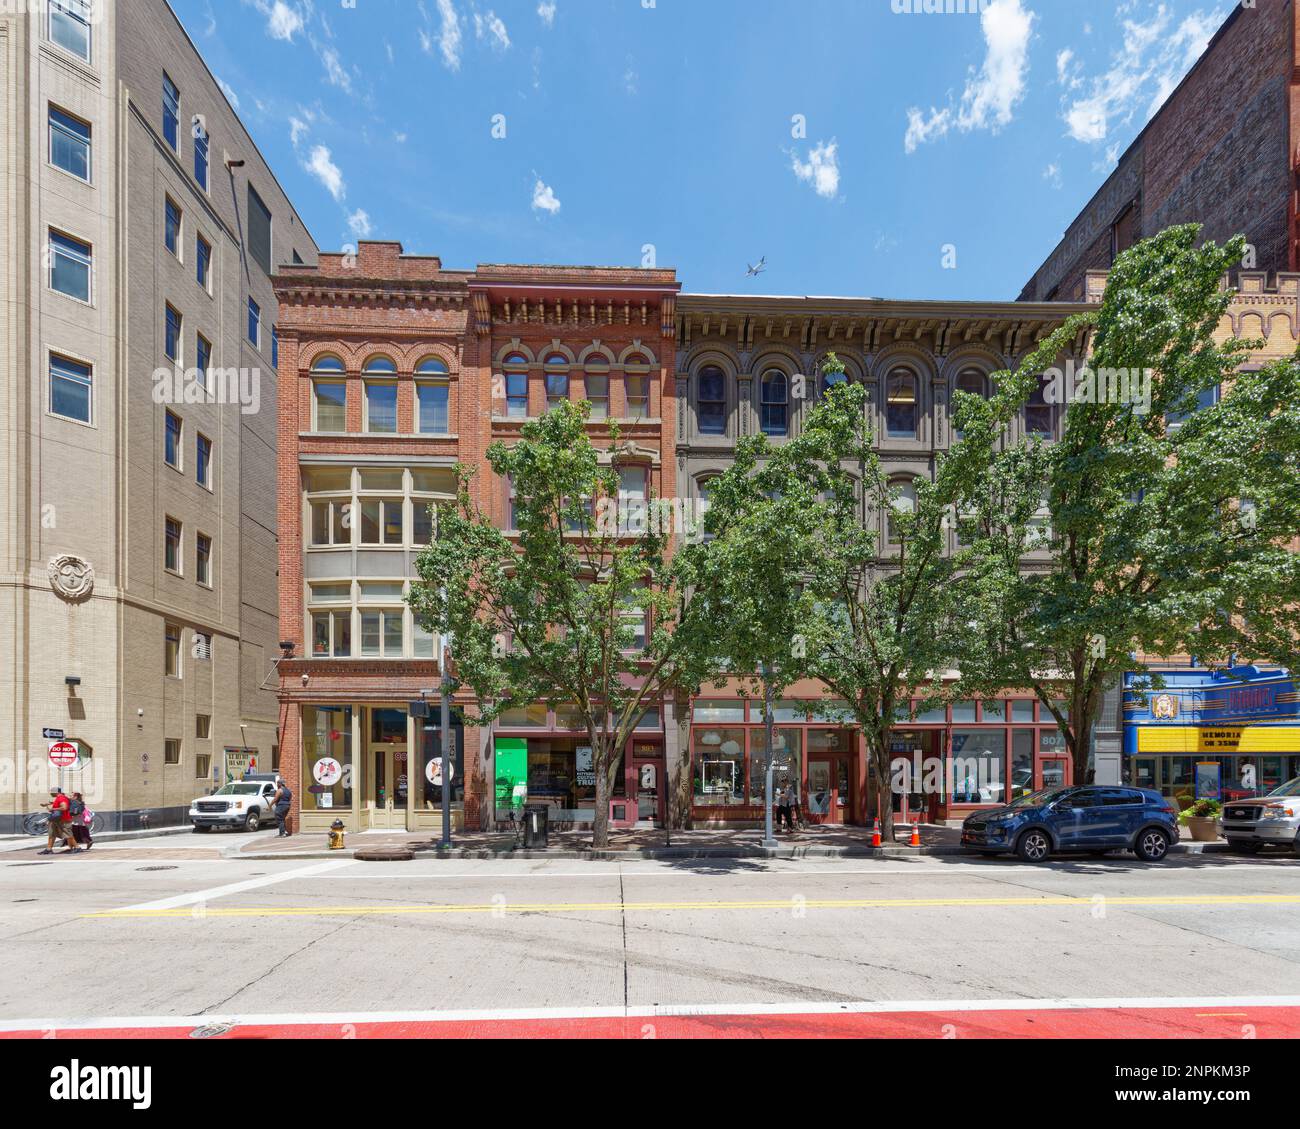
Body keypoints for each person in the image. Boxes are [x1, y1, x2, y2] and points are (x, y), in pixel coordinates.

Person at [39, 789, 79, 854]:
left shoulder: (61, 798)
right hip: (56, 819)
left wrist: (52, 809)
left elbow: (64, 807)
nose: (50, 793)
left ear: (56, 792)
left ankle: (77, 847)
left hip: (63, 820)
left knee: (68, 834)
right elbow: (59, 804)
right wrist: (47, 804)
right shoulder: (59, 798)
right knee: (52, 833)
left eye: (51, 792)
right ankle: (49, 849)